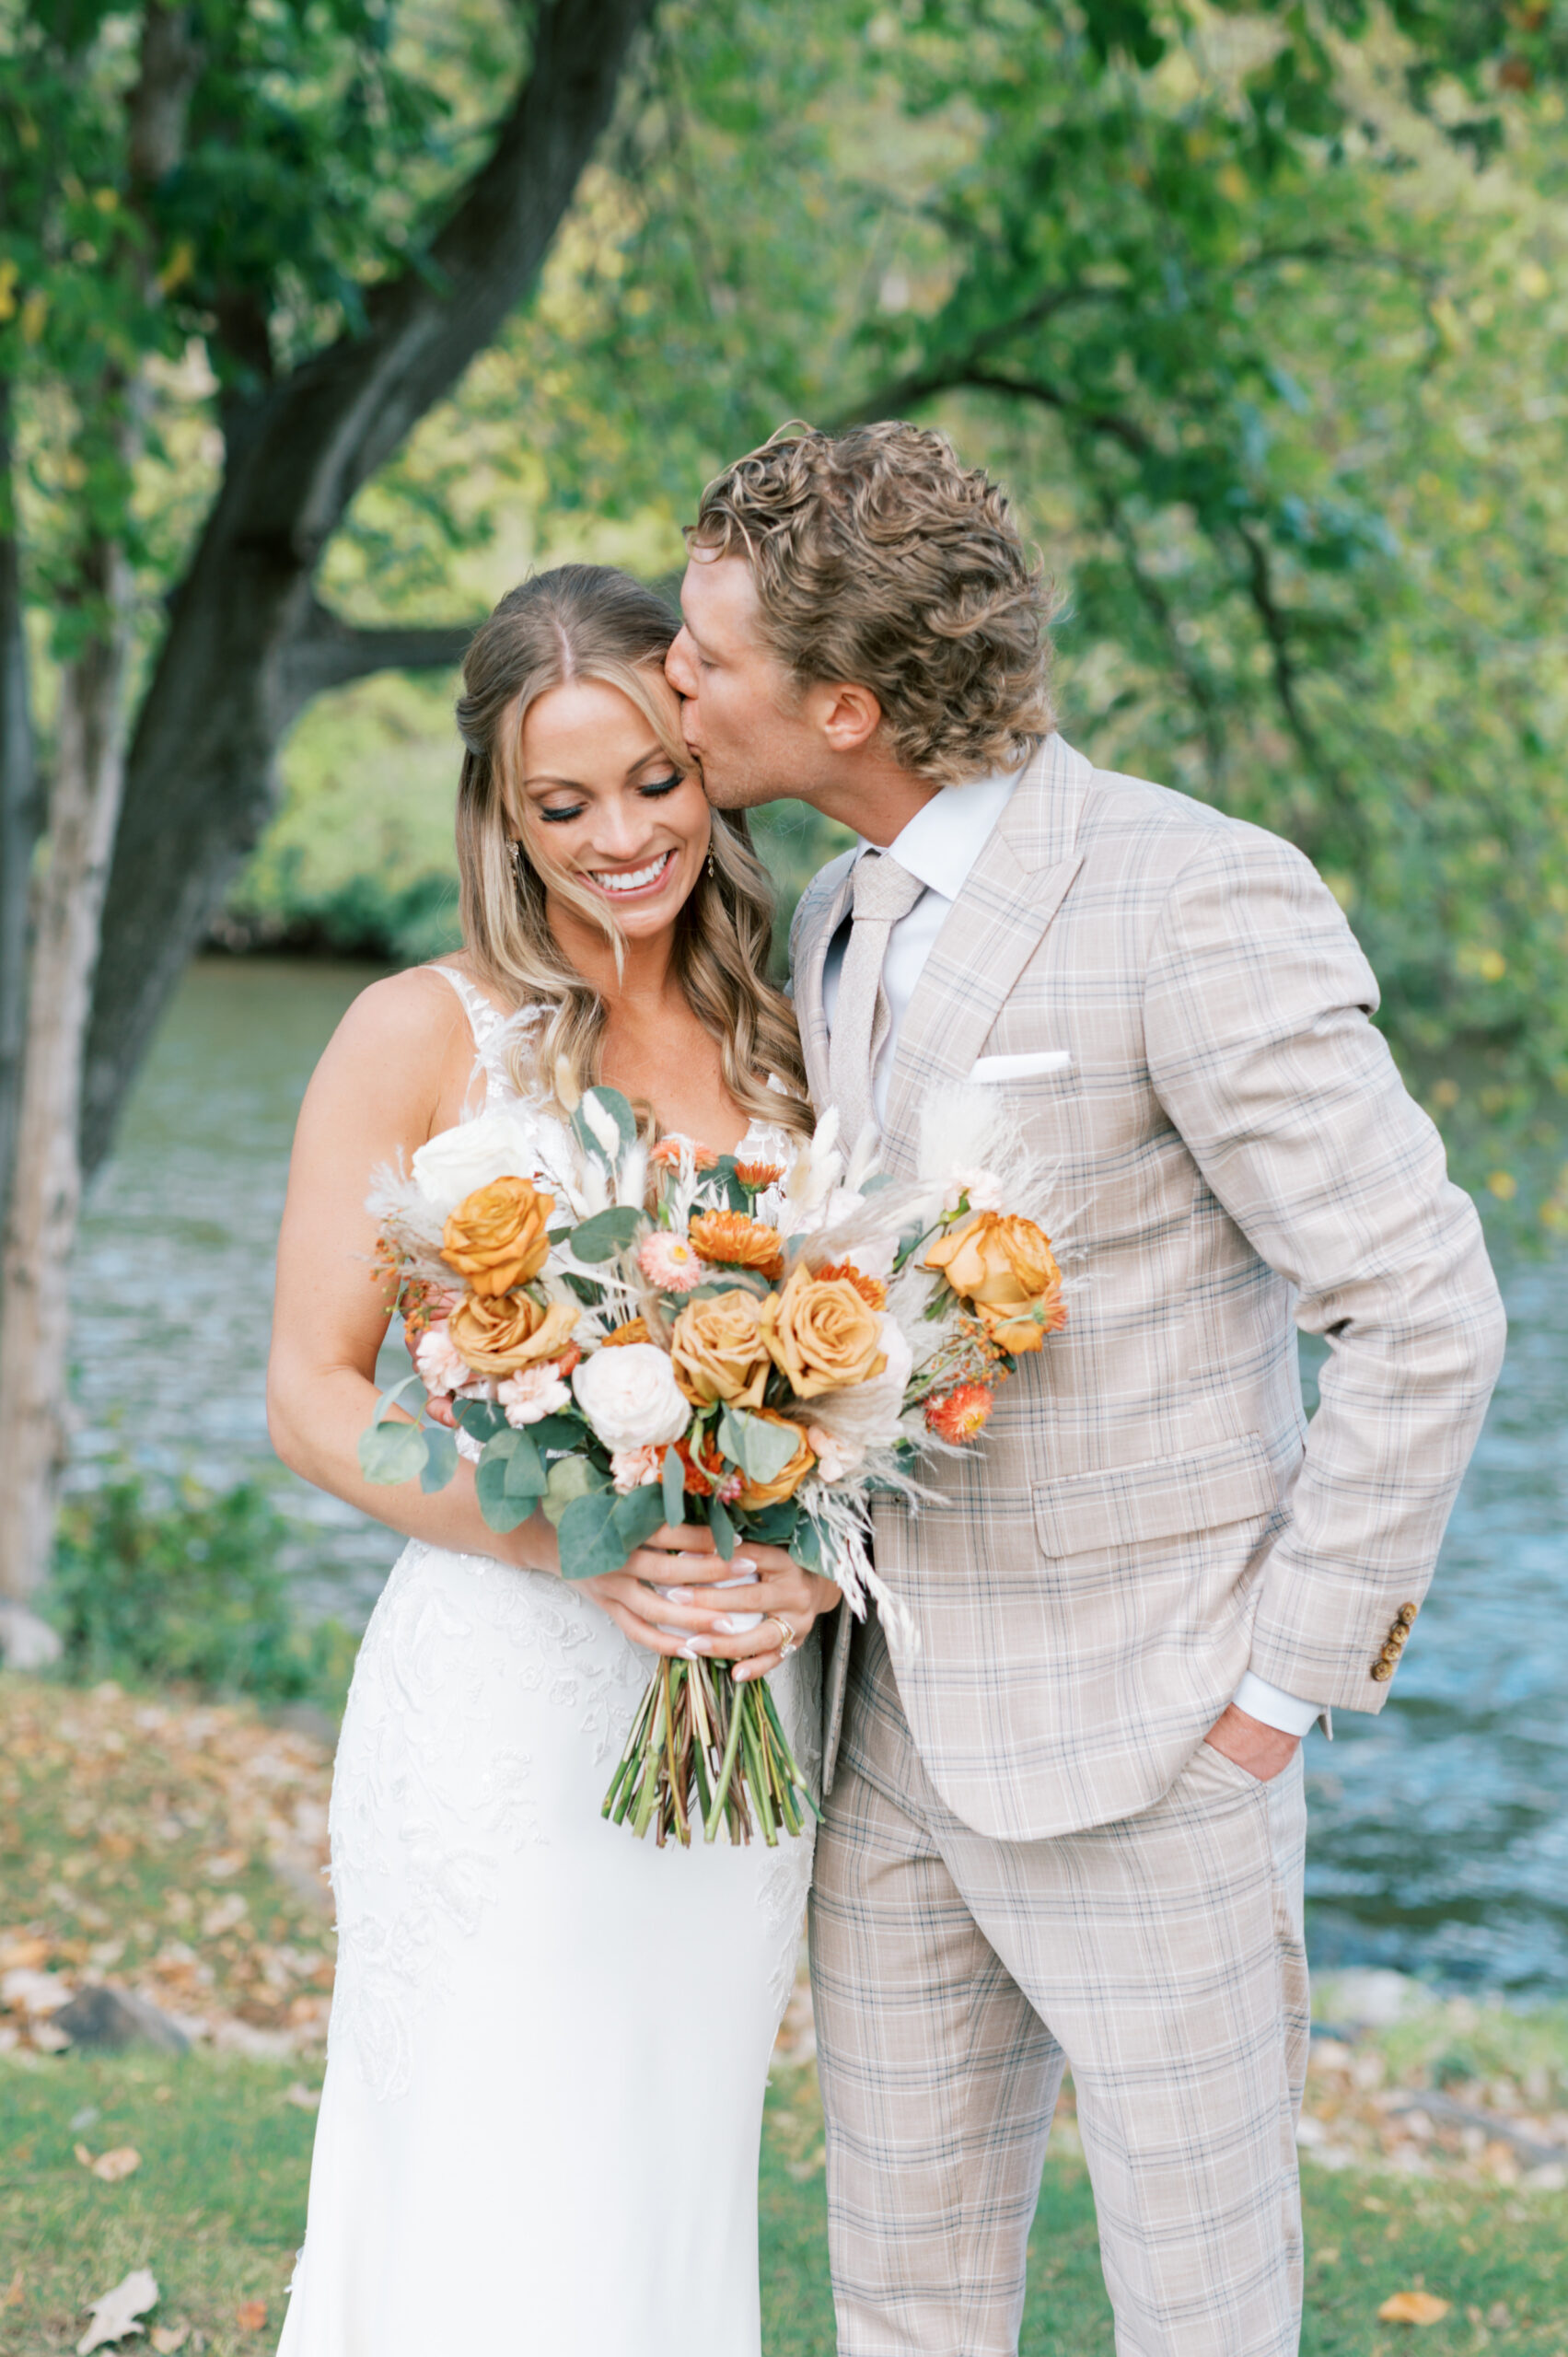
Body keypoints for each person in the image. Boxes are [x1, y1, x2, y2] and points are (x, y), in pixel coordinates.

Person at [667, 422, 1507, 2357]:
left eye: (708, 659)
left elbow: (1424, 1306)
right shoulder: (832, 909)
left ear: (849, 702)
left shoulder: (1193, 895)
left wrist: (1275, 1698)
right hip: (887, 1744)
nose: (674, 680)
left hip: (1158, 1739)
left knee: (1200, 2310)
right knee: (903, 2300)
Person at [267, 564, 841, 2357]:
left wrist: (808, 1553)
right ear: (502, 815)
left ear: (712, 759)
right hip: (504, 1700)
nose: (618, 839)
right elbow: (308, 1384)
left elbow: (873, 1360)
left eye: (655, 781)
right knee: (480, 2196)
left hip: (733, 1712)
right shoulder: (422, 1031)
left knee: (659, 2193)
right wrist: (567, 1542)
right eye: (562, 802)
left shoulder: (805, 1028)